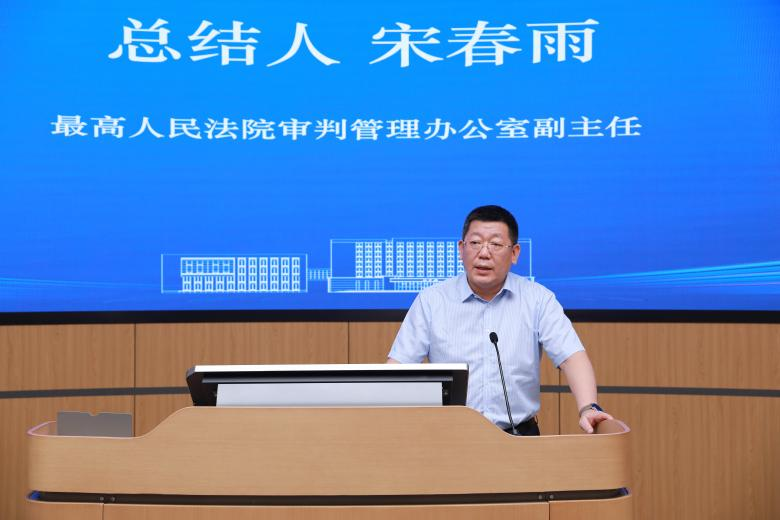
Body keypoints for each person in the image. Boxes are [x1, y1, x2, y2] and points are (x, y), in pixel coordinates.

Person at [387, 205, 612, 435]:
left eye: (495, 244)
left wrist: (588, 407)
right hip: (449, 437)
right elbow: (398, 368)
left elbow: (572, 357)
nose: (484, 253)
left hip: (518, 437)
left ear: (514, 253)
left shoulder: (538, 299)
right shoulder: (432, 300)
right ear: (461, 249)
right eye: (475, 243)